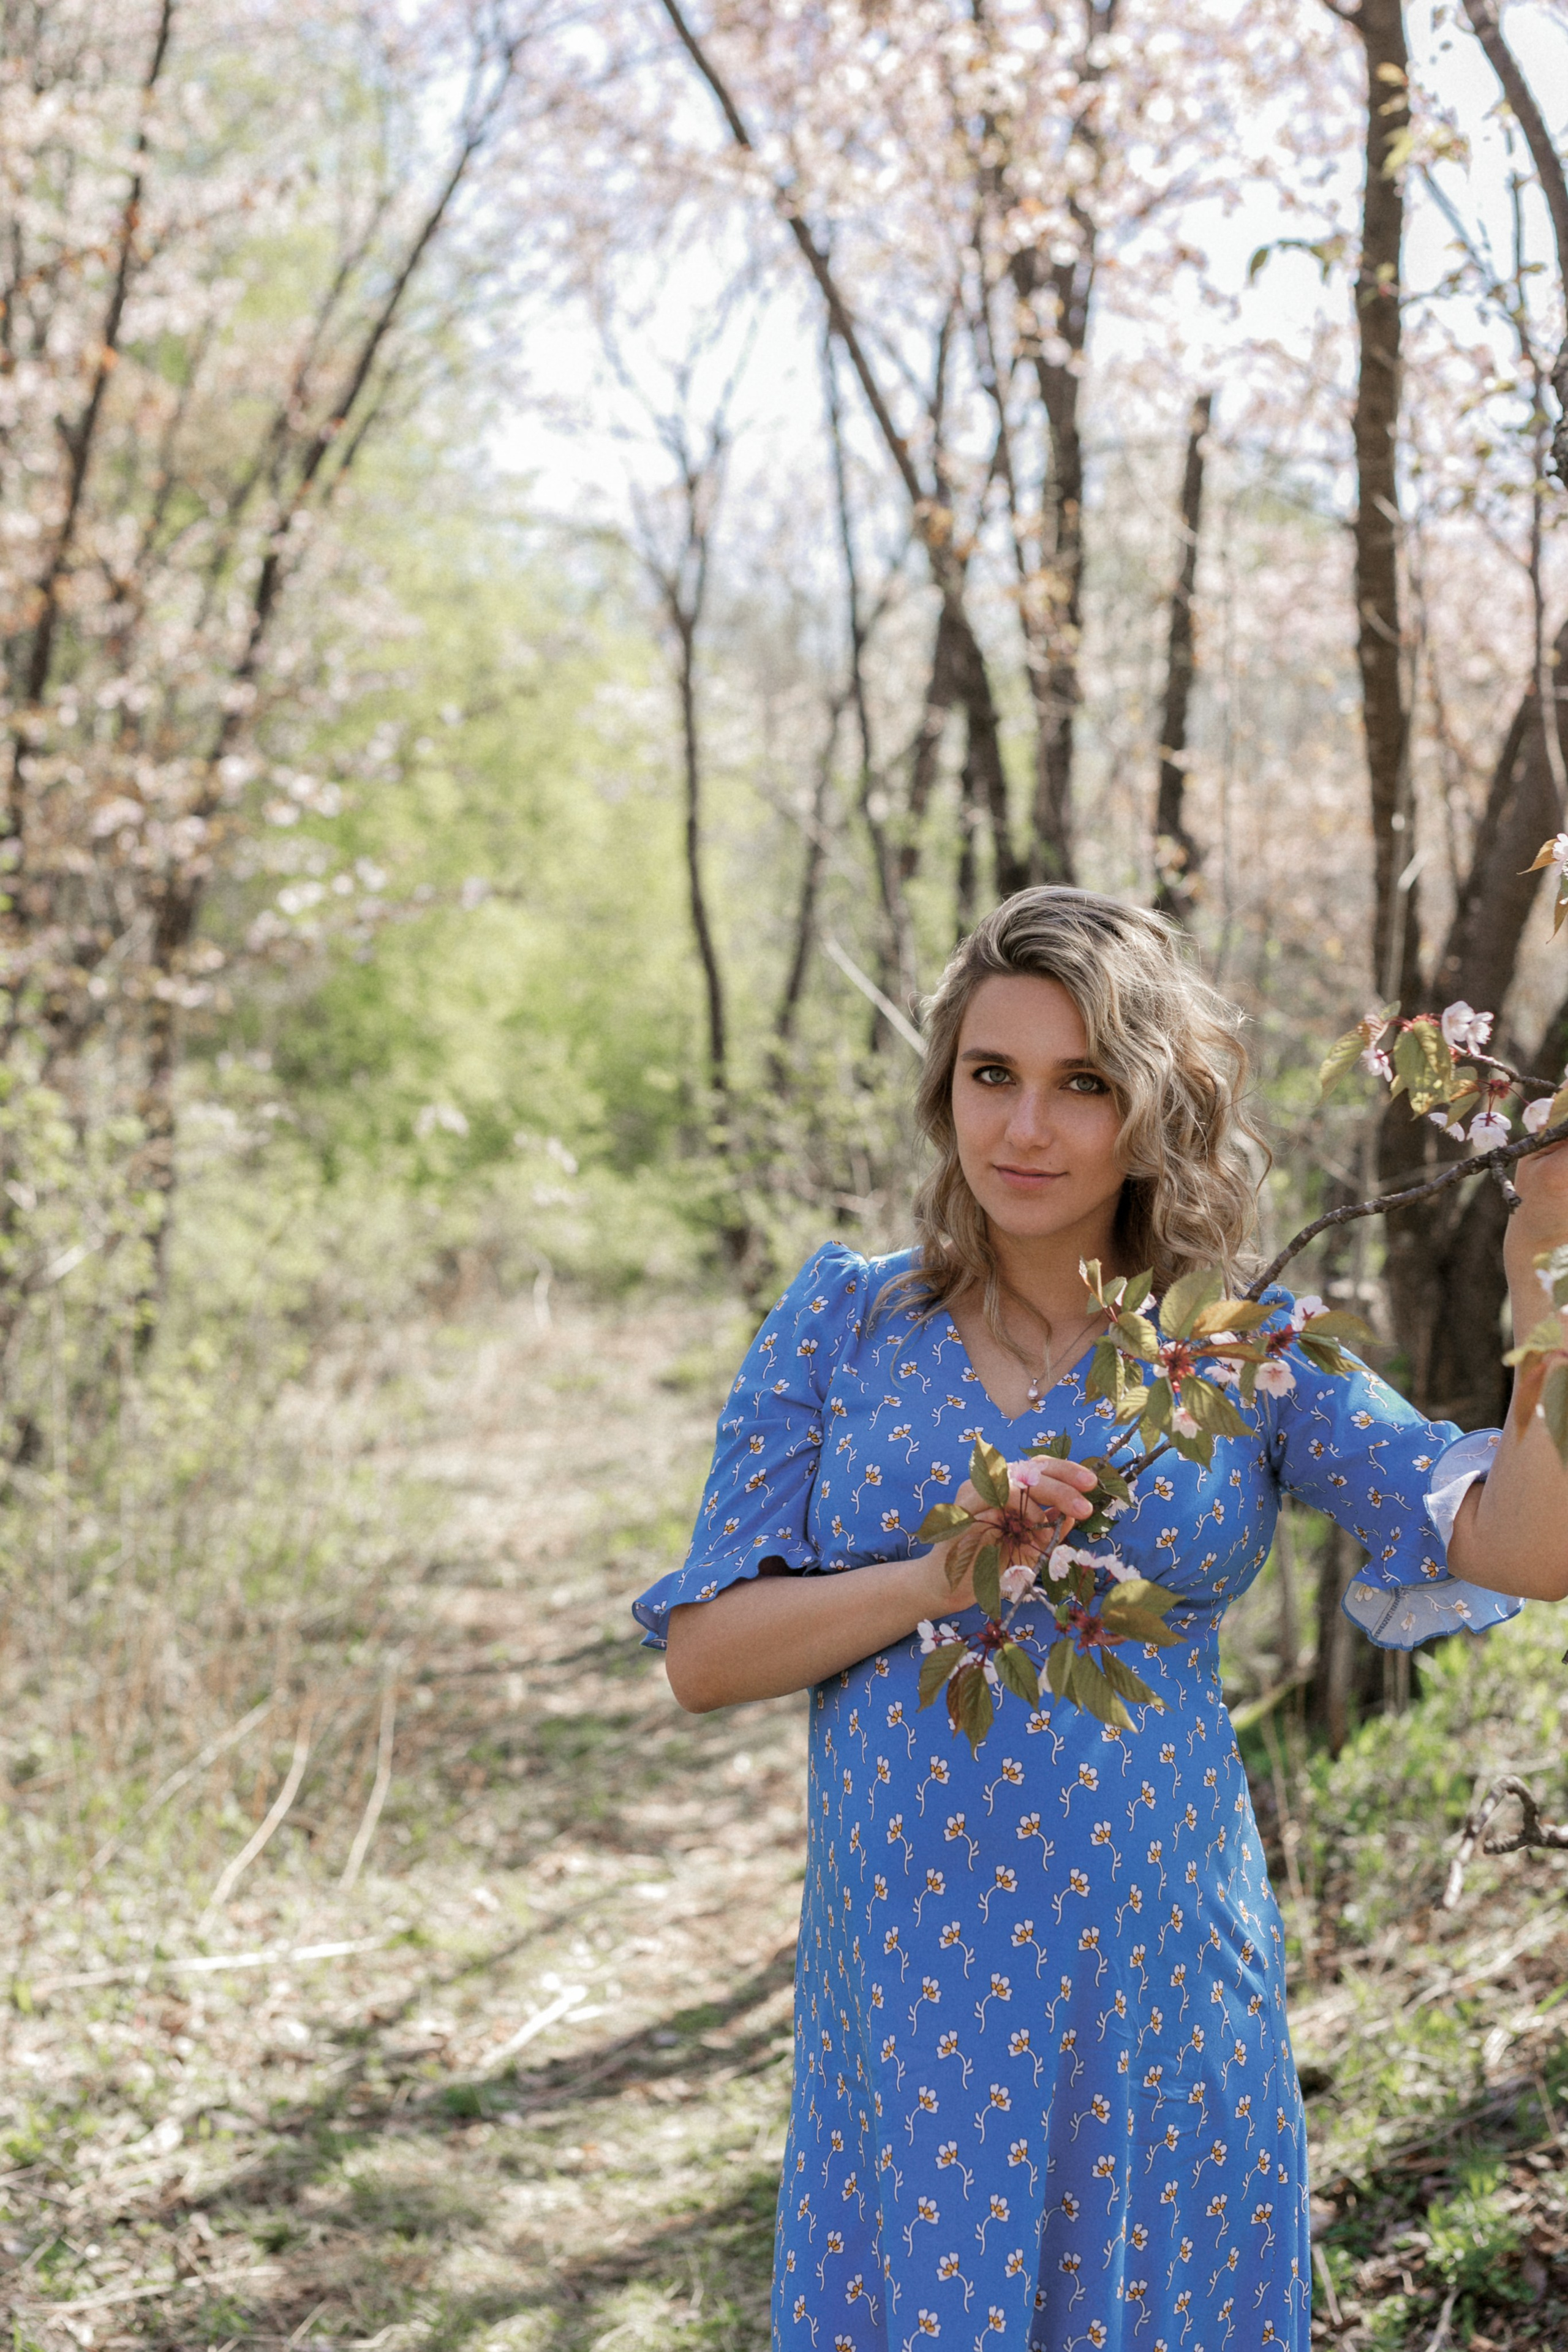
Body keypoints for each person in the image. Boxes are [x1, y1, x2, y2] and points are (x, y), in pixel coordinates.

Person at [632, 889, 1568, 2352]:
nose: (1024, 1127)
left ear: (1154, 1107)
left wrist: (1541, 1309)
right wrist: (947, 1574)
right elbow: (703, 1656)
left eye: (1081, 1084)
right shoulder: (843, 1324)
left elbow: (1521, 1548)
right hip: (912, 1972)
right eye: (989, 1075)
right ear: (943, 1087)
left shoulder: (1234, 1348)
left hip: (1152, 1975)